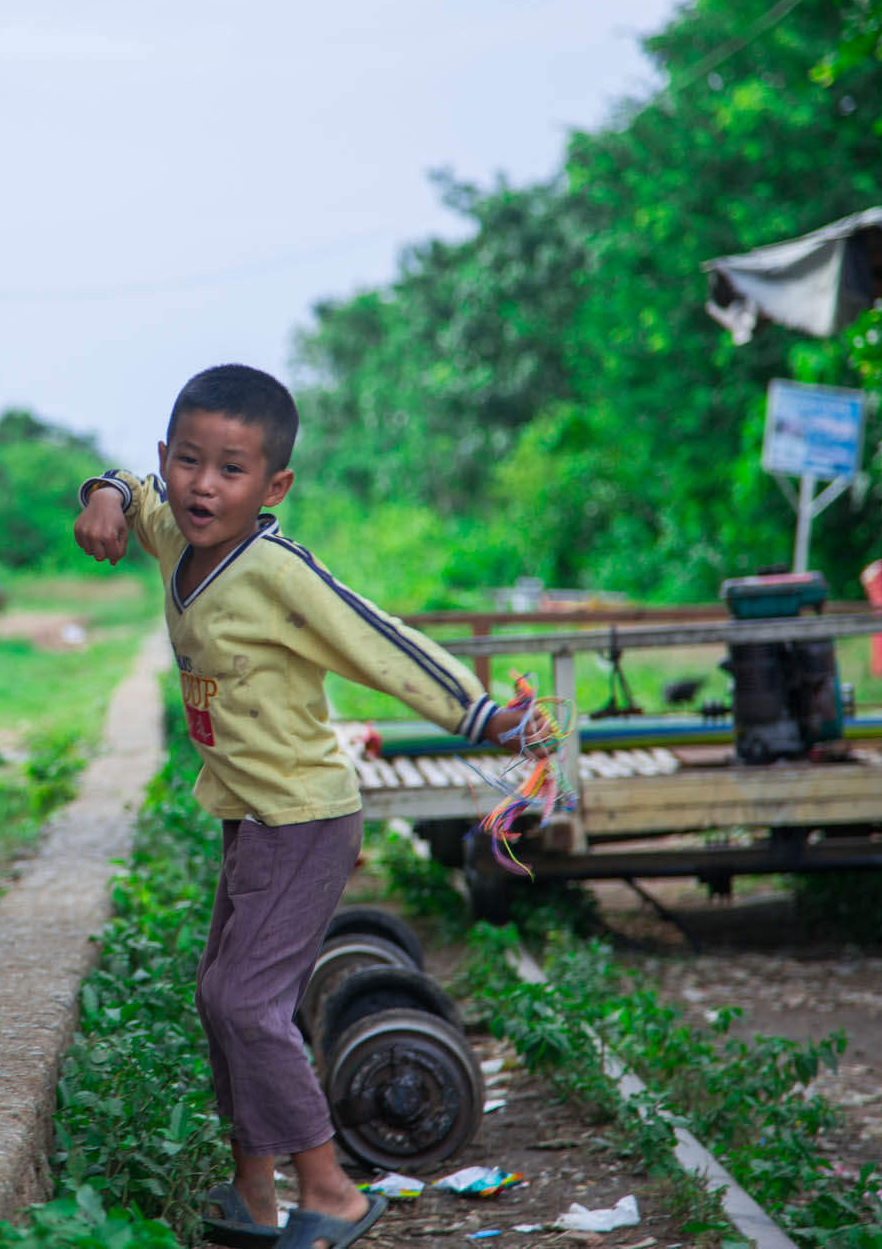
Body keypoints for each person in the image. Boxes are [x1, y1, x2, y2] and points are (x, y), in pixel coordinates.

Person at [72, 364, 544, 1249]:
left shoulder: (279, 572)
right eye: (188, 460)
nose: (203, 484)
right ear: (166, 459)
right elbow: (129, 493)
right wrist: (102, 491)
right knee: (220, 998)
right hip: (248, 817)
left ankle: (327, 1189)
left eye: (232, 468)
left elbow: (374, 633)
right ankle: (254, 1192)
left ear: (274, 484)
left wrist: (476, 712)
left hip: (305, 818)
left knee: (248, 1003)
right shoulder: (175, 535)